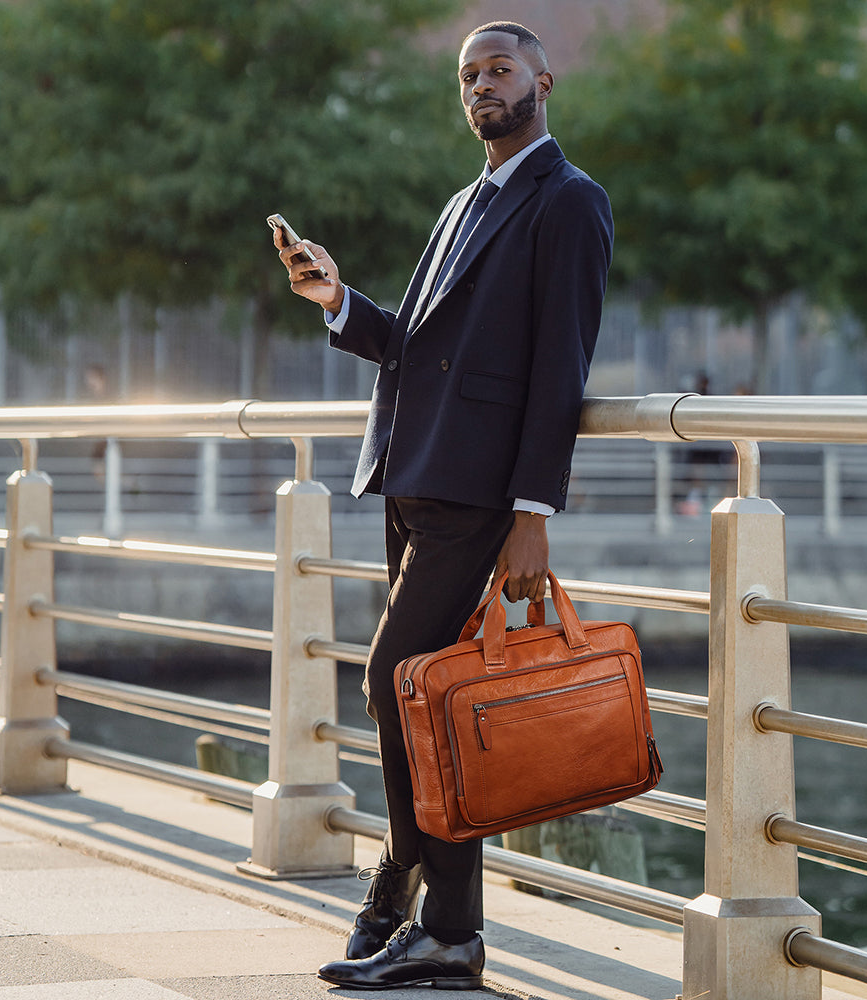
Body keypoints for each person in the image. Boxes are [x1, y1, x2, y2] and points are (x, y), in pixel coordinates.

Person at [274, 21, 613, 991]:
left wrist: (533, 510)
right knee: (420, 699)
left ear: (542, 80)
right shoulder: (463, 202)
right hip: (410, 479)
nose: (480, 87)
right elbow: (411, 344)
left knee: (399, 687)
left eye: (498, 69)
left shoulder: (571, 203)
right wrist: (338, 299)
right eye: (468, 75)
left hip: (477, 498)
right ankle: (420, 913)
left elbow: (561, 370)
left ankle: (428, 905)